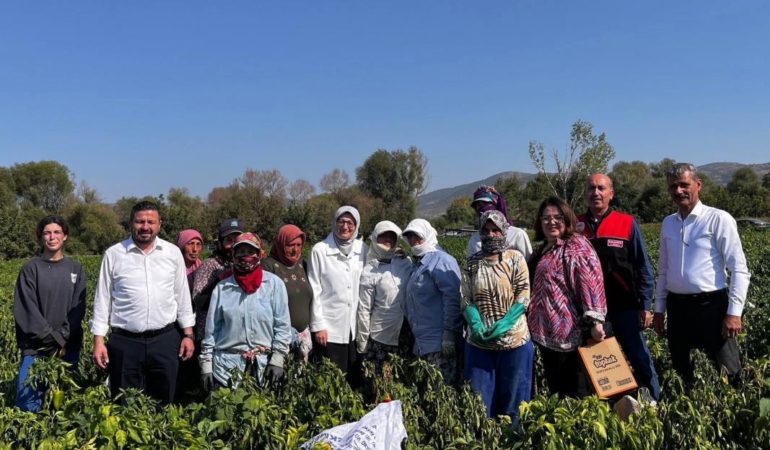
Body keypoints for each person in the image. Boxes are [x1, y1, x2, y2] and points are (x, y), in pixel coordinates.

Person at [653, 163, 750, 386]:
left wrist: (734, 313)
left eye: (684, 185)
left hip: (712, 307)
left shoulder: (718, 219)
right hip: (677, 308)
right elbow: (664, 270)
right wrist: (659, 309)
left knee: (728, 370)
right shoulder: (668, 223)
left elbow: (739, 269)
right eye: (673, 186)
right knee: (682, 370)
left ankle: (735, 417)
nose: (678, 191)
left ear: (698, 185)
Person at [91, 201, 195, 405]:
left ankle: (161, 437)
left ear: (159, 224)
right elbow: (102, 299)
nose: (145, 226)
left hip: (164, 340)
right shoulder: (114, 254)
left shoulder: (172, 253)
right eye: (140, 221)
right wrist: (98, 341)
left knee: (164, 401)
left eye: (151, 222)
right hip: (125, 342)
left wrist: (188, 334)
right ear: (131, 223)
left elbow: (182, 296)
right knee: (125, 404)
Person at [577, 174, 661, 400]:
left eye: (601, 188)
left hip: (625, 305)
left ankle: (652, 401)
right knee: (600, 363)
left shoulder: (626, 223)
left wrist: (645, 304)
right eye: (591, 188)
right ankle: (610, 408)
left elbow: (643, 267)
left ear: (611, 194)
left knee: (639, 357)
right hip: (591, 311)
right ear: (585, 194)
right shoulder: (576, 226)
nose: (596, 192)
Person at [527, 197, 607, 398]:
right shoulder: (541, 250)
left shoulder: (576, 246)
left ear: (568, 219)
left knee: (575, 392)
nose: (551, 222)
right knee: (555, 389)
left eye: (557, 217)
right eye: (546, 218)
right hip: (544, 332)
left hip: (569, 333)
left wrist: (596, 321)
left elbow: (591, 283)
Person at [461, 210, 534, 423]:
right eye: (486, 230)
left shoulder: (515, 259)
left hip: (515, 342)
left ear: (504, 232)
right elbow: (465, 297)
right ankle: (484, 440)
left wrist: (506, 323)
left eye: (496, 230)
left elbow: (523, 293)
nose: (491, 235)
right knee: (480, 401)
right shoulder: (472, 263)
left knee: (515, 401)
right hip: (480, 344)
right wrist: (475, 323)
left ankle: (513, 441)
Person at [199, 233, 291, 390]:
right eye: (241, 252)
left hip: (264, 367)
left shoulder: (274, 284)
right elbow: (211, 331)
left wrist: (277, 359)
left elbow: (282, 325)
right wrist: (206, 364)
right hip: (226, 369)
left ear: (259, 254)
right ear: (233, 255)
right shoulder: (222, 288)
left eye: (251, 252)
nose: (246, 257)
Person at [14, 215, 86, 412]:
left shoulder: (75, 268)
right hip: (35, 349)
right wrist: (51, 337)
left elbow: (78, 308)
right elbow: (26, 308)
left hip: (68, 348)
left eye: (57, 232)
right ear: (41, 237)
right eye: (47, 233)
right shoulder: (30, 268)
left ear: (65, 237)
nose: (52, 237)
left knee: (65, 409)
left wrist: (63, 335)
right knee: (27, 408)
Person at [308, 206, 368, 380]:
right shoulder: (320, 250)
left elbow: (379, 264)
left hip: (354, 326)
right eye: (341, 221)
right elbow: (315, 289)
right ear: (334, 223)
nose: (345, 226)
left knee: (354, 377)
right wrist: (318, 325)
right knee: (331, 378)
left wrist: (398, 256)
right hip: (329, 327)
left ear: (357, 226)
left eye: (350, 222)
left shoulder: (362, 249)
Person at [402, 218, 463, 385]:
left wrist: (449, 335)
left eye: (417, 236)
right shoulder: (418, 263)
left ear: (428, 235)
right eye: (410, 237)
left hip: (439, 343)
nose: (413, 241)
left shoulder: (441, 260)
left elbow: (453, 298)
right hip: (422, 343)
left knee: (442, 392)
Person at [356, 221, 413, 372]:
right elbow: (364, 310)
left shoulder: (405, 262)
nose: (388, 239)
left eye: (391, 236)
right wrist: (362, 343)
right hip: (381, 336)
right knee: (382, 384)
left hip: (405, 333)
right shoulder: (370, 271)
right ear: (375, 238)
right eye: (383, 236)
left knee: (403, 380)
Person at [262, 224, 314, 362]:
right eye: (290, 245)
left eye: (299, 244)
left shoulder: (303, 264)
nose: (295, 249)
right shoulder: (268, 265)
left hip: (303, 336)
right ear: (281, 243)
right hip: (279, 337)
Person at [192, 218, 245, 342]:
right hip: (212, 336)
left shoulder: (246, 267)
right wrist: (221, 279)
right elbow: (199, 301)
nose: (233, 245)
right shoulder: (210, 265)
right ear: (220, 242)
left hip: (234, 337)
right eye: (228, 240)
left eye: (237, 240)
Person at [175, 228, 204, 404]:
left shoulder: (201, 268)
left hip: (195, 324)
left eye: (198, 244)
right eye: (190, 244)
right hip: (176, 324)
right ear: (181, 246)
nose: (194, 249)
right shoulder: (172, 268)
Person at [467, 185, 532, 260]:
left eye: (486, 203)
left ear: (496, 204)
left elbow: (528, 262)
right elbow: (470, 265)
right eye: (478, 205)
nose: (482, 208)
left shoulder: (517, 235)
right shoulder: (475, 239)